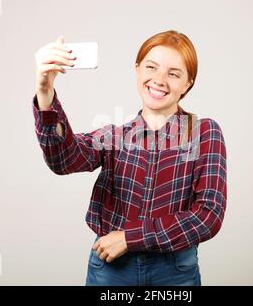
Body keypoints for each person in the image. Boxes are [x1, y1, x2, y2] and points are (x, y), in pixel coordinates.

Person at [32, 30, 227, 286]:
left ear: (188, 83)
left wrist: (129, 238)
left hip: (174, 273)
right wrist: (45, 91)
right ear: (137, 70)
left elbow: (208, 215)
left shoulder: (204, 133)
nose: (159, 80)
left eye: (173, 73)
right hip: (112, 271)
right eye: (151, 67)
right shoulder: (115, 136)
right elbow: (63, 159)